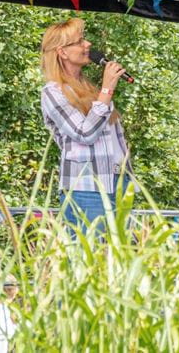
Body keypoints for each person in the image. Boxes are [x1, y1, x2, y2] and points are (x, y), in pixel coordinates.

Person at [40, 18, 132, 232]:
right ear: (62, 52)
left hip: (119, 183)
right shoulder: (53, 92)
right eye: (80, 41)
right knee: (89, 260)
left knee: (118, 260)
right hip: (87, 189)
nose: (88, 44)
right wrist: (107, 89)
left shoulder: (89, 89)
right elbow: (85, 133)